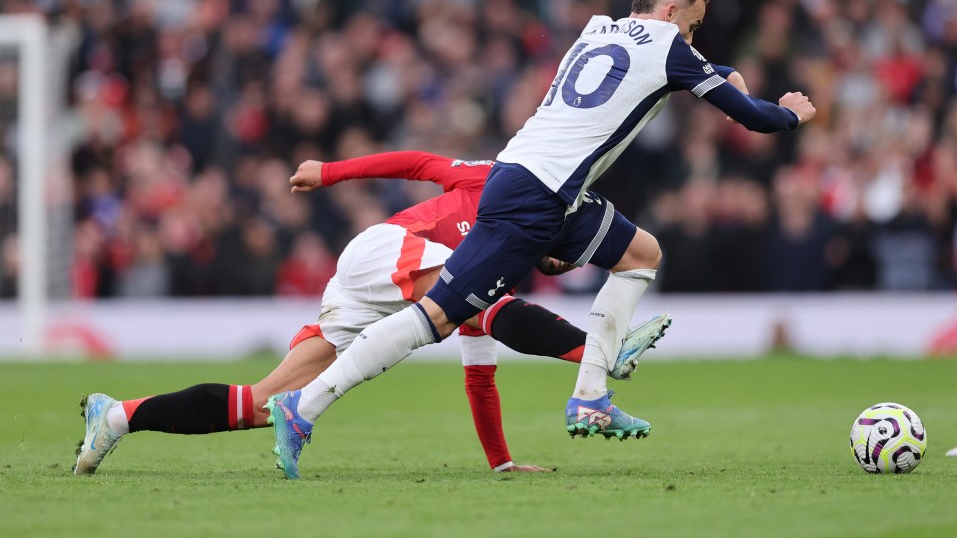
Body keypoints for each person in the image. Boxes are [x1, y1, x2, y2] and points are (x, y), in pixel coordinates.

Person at [267, 0, 816, 480]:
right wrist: (792, 112)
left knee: (641, 255)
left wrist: (722, 71)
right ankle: (303, 406)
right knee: (435, 319)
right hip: (533, 196)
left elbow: (676, 71)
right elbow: (754, 119)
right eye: (693, 26)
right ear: (672, 13)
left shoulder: (598, 28)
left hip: (545, 188)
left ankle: (591, 395)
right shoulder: (671, 47)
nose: (692, 39)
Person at [74, 151, 671, 476]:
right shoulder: (500, 179)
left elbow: (479, 371)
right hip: (384, 249)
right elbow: (415, 163)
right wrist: (328, 173)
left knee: (259, 406)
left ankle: (119, 417)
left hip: (365, 286)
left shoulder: (492, 267)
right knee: (489, 307)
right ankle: (604, 357)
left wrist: (502, 463)